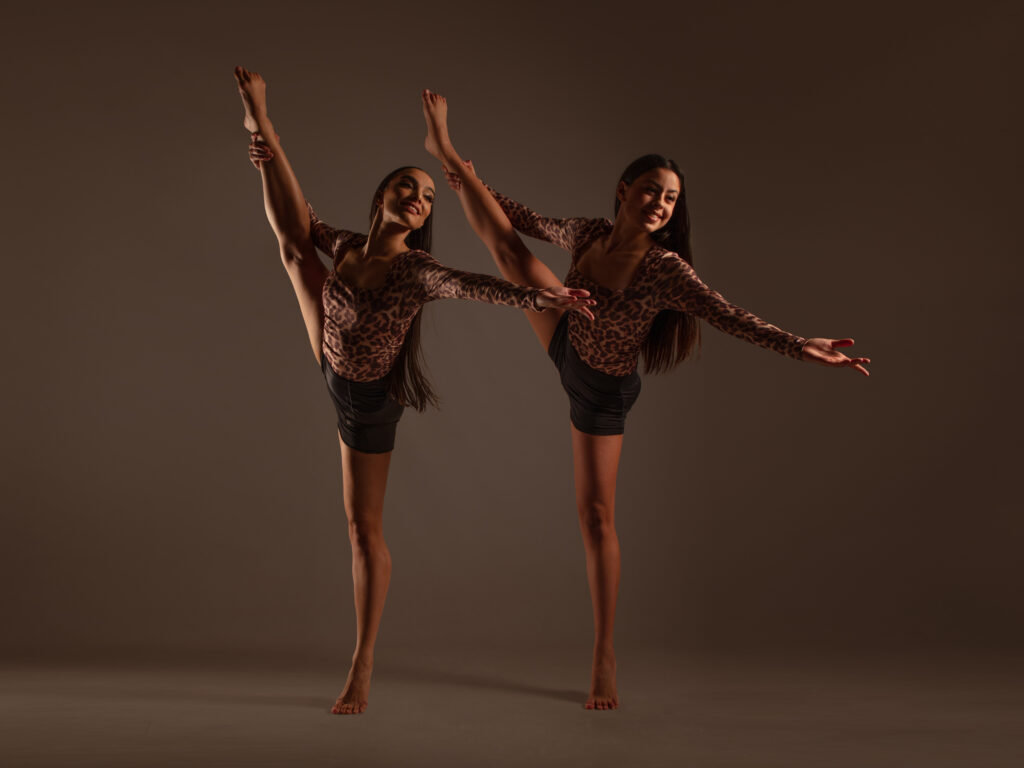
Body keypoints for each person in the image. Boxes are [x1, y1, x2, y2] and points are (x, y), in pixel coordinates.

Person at [420, 89, 870, 710]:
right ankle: (441, 147)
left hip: (602, 391)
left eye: (671, 198)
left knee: (595, 517)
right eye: (652, 191)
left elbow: (729, 315)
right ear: (624, 190)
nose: (660, 204)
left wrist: (801, 345)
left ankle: (604, 653)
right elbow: (520, 217)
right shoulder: (588, 233)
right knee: (508, 251)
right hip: (566, 338)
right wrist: (462, 173)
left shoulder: (665, 270)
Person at [234, 67, 594, 715]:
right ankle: (265, 131)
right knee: (296, 245)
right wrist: (269, 158)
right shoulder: (348, 245)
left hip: (369, 400)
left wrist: (537, 297)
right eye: (408, 185)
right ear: (382, 197)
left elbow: (471, 285)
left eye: (428, 197)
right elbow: (303, 222)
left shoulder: (416, 270)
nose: (419, 198)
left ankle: (362, 659)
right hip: (329, 356)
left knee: (361, 530)